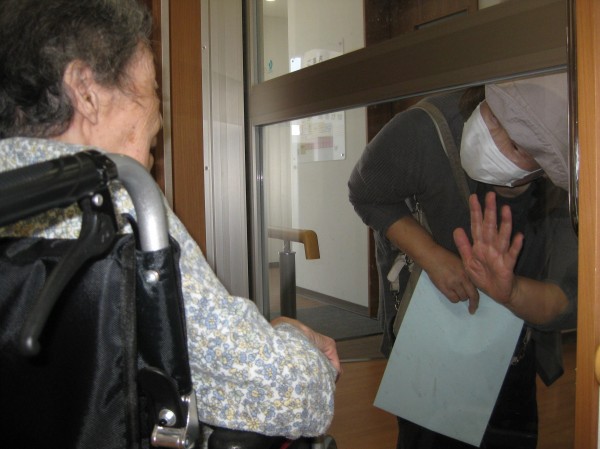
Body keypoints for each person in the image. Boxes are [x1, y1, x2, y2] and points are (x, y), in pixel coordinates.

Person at [0, 0, 340, 445]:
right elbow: (288, 394)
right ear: (85, 91)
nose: (159, 109)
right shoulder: (115, 202)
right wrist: (291, 336)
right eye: (152, 84)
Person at [348, 73, 577, 449]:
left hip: (510, 350)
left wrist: (512, 292)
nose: (492, 136)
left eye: (515, 144)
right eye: (494, 115)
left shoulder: (569, 187)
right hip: (432, 339)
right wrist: (433, 256)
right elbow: (365, 190)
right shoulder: (425, 129)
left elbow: (566, 298)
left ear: (547, 166)